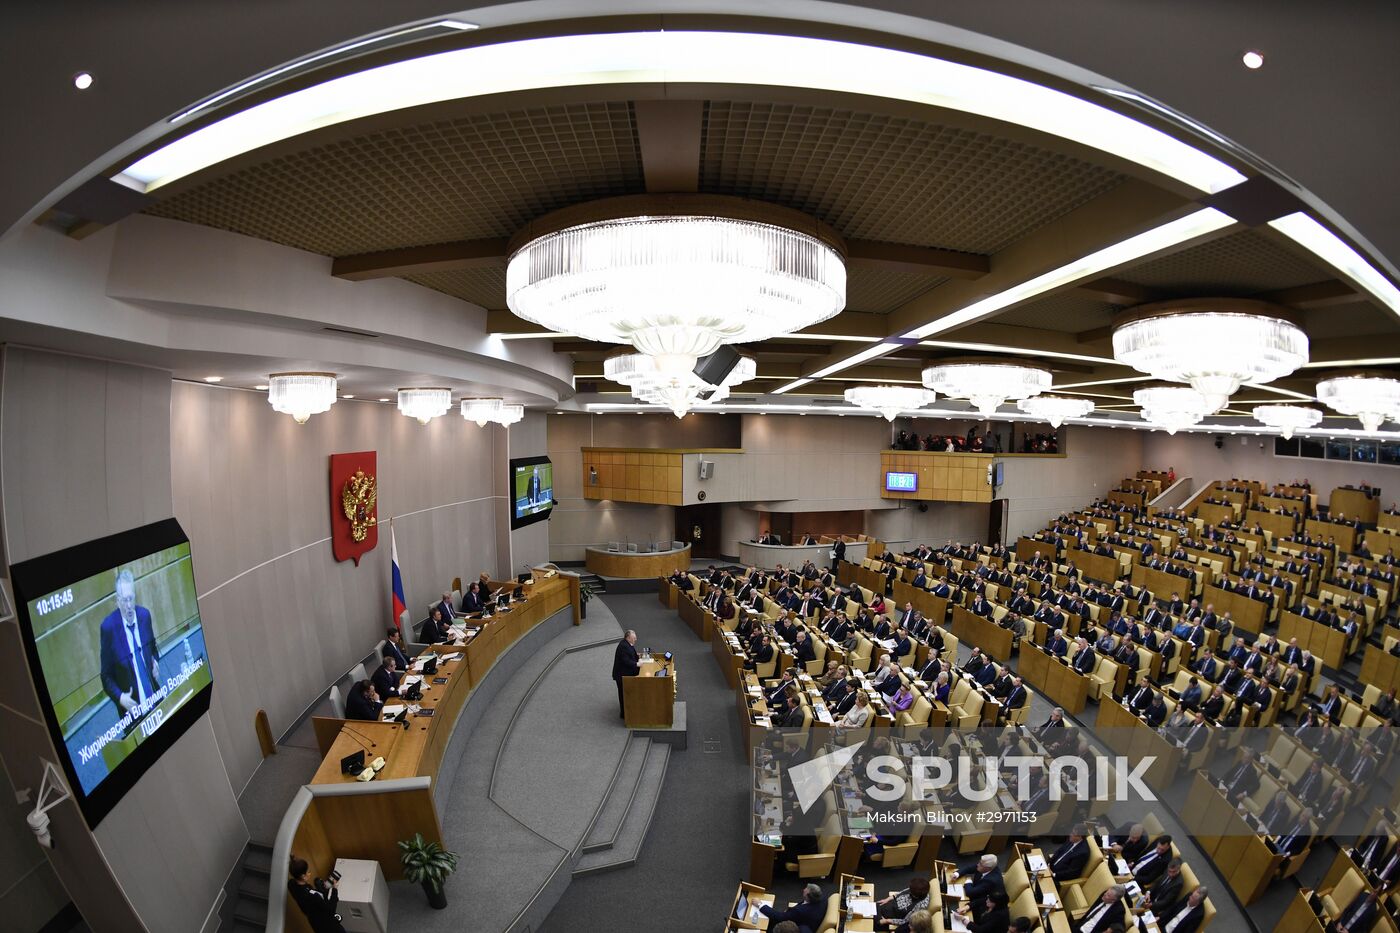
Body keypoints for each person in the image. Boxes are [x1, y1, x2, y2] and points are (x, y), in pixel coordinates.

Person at [99, 568, 161, 715]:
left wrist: (155, 662)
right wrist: (120, 698)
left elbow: (153, 650)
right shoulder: (108, 628)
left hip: (156, 699)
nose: (128, 605)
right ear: (117, 601)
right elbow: (105, 676)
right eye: (124, 600)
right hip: (132, 711)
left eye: (131, 598)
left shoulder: (144, 616)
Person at [288, 855, 345, 933]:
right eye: (308, 872)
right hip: (330, 927)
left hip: (316, 925)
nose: (310, 873)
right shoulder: (312, 895)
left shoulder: (291, 884)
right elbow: (331, 910)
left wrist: (324, 891)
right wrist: (334, 890)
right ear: (303, 876)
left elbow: (314, 904)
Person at [759, 883, 824, 929]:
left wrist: (760, 905)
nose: (803, 890)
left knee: (762, 923)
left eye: (805, 890)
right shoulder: (822, 899)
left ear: (808, 897)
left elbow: (780, 917)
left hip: (790, 927)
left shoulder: (800, 911)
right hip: (805, 921)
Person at [611, 629, 640, 718]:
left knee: (625, 694)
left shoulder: (627, 644)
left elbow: (631, 654)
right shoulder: (624, 647)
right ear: (628, 638)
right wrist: (637, 664)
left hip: (625, 673)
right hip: (621, 676)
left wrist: (638, 656)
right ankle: (624, 714)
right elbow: (626, 661)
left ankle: (626, 712)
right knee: (623, 694)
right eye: (634, 638)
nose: (636, 639)